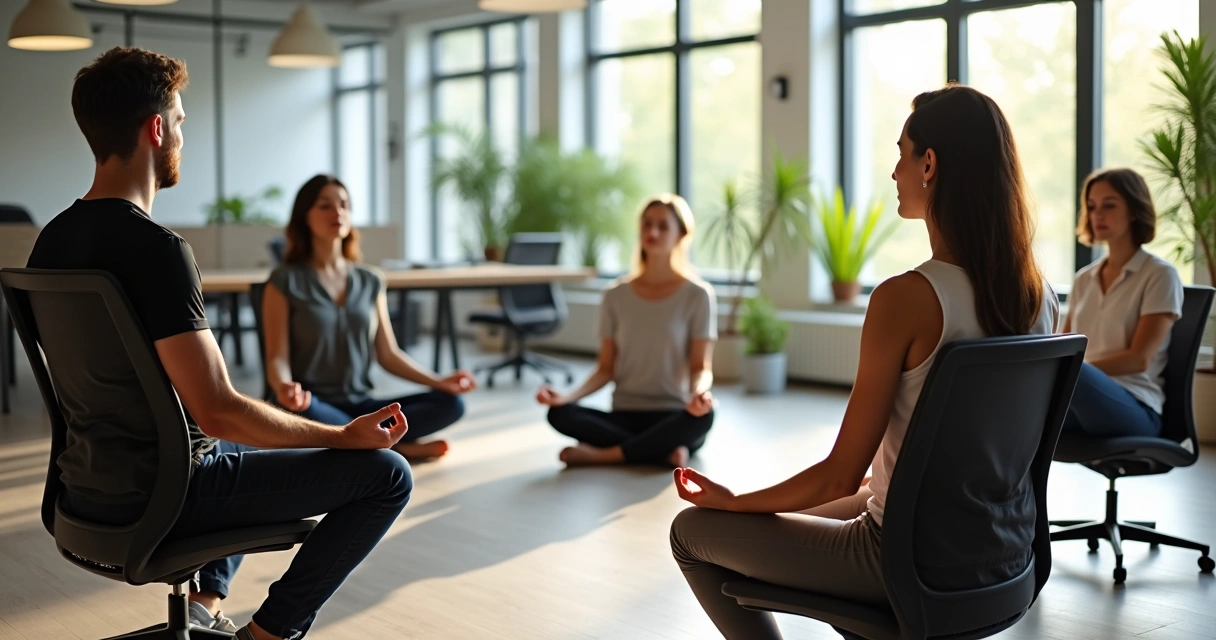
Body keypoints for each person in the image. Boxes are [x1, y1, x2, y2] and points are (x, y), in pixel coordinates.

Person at [27, 47, 412, 640]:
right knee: (387, 474)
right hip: (167, 495)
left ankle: (203, 608)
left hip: (83, 493)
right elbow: (218, 408)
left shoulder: (50, 242)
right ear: (156, 129)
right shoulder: (158, 250)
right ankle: (270, 633)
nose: (182, 134)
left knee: (239, 452)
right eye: (180, 121)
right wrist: (341, 436)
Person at [668, 84, 1059, 640]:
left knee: (690, 531)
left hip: (901, 564)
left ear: (930, 164)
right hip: (1005, 564)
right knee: (787, 517)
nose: (894, 170)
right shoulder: (1041, 297)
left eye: (901, 153)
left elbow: (838, 473)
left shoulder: (907, 298)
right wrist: (752, 509)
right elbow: (903, 484)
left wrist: (733, 506)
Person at [262, 174, 474, 460]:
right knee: (302, 413)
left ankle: (366, 443)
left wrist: (439, 382)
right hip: (313, 404)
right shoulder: (284, 281)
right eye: (324, 205)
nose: (337, 212)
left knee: (451, 404)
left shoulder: (371, 280)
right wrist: (284, 387)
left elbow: (388, 354)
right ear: (304, 217)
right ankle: (397, 447)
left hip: (362, 405)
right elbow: (277, 357)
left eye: (344, 205)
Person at [537, 194, 716, 468]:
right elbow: (605, 369)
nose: (652, 232)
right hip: (624, 412)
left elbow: (699, 366)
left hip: (673, 413)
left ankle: (604, 455)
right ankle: (661, 451)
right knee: (559, 414)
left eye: (663, 226)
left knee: (704, 418)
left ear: (681, 234)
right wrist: (567, 396)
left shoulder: (698, 295)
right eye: (647, 224)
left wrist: (699, 394)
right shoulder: (615, 295)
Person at [1061, 168, 1183, 437]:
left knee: (1070, 371)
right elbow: (1065, 347)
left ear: (1134, 210)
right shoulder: (1084, 279)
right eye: (1092, 207)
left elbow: (1139, 360)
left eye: (1109, 205)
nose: (1097, 215)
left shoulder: (1159, 275)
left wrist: (1073, 372)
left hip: (1137, 407)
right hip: (1081, 403)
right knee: (1012, 411)